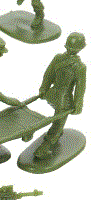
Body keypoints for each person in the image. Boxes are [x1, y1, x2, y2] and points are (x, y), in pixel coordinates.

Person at [32, 32, 86, 161]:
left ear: (66, 45)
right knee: (59, 121)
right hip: (64, 99)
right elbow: (80, 89)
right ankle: (46, 146)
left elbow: (48, 75)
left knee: (58, 118)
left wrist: (43, 89)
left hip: (51, 94)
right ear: (81, 48)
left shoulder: (58, 58)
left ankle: (57, 132)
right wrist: (78, 105)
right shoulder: (80, 67)